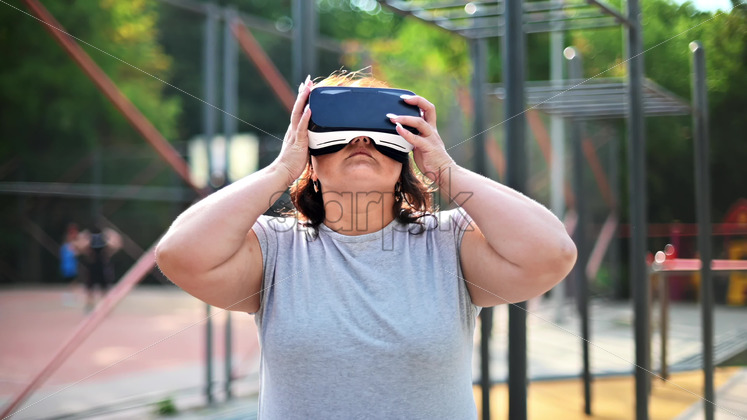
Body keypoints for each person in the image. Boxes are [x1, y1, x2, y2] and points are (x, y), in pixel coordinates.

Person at [156, 71, 577, 419]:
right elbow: (179, 254)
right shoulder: (275, 248)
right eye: (339, 129)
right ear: (310, 158)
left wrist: (445, 169)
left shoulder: (450, 241)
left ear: (405, 157)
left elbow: (552, 254)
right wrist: (281, 168)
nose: (361, 141)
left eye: (379, 130)